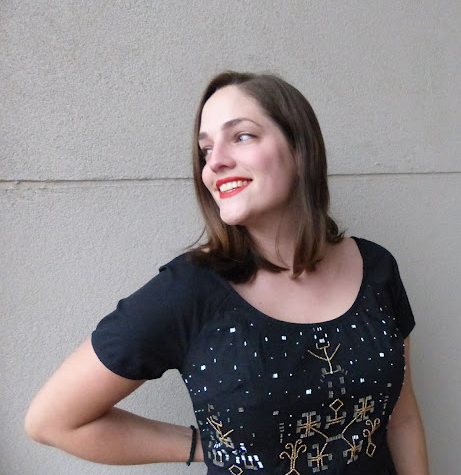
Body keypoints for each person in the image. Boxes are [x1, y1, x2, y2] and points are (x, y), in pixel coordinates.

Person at [25, 71, 430, 474]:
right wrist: (206, 446)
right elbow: (53, 421)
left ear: (301, 150)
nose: (214, 162)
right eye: (206, 149)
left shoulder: (376, 269)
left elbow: (402, 419)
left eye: (242, 136)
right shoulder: (189, 290)